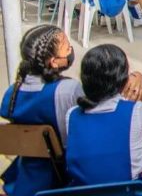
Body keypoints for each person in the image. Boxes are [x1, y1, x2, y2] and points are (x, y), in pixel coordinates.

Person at [65, 45, 142, 194]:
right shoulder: (136, 111)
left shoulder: (72, 115)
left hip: (83, 191)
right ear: (123, 80)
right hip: (129, 191)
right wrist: (140, 92)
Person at [0, 26, 82, 196]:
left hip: (24, 177)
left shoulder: (12, 92)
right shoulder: (68, 90)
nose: (71, 50)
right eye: (67, 47)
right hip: (62, 176)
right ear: (53, 61)